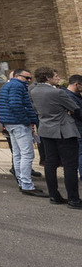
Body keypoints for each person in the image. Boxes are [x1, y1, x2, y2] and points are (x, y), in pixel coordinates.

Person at [30, 67, 82, 207]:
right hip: (63, 131)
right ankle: (73, 199)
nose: (58, 78)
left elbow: (36, 109)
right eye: (55, 75)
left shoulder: (33, 91)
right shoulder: (57, 92)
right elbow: (75, 109)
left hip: (46, 130)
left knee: (50, 163)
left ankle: (54, 195)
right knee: (70, 165)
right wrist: (68, 111)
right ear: (48, 77)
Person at [0, 68, 45, 196]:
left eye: (30, 78)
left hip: (10, 123)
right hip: (19, 124)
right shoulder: (17, 86)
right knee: (27, 154)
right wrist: (27, 120)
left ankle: (22, 182)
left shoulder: (6, 86)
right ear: (17, 76)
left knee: (18, 154)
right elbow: (15, 105)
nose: (28, 81)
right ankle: (27, 185)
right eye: (26, 78)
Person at [66, 74, 82, 175]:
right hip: (77, 129)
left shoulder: (75, 96)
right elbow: (78, 113)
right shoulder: (69, 96)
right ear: (77, 84)